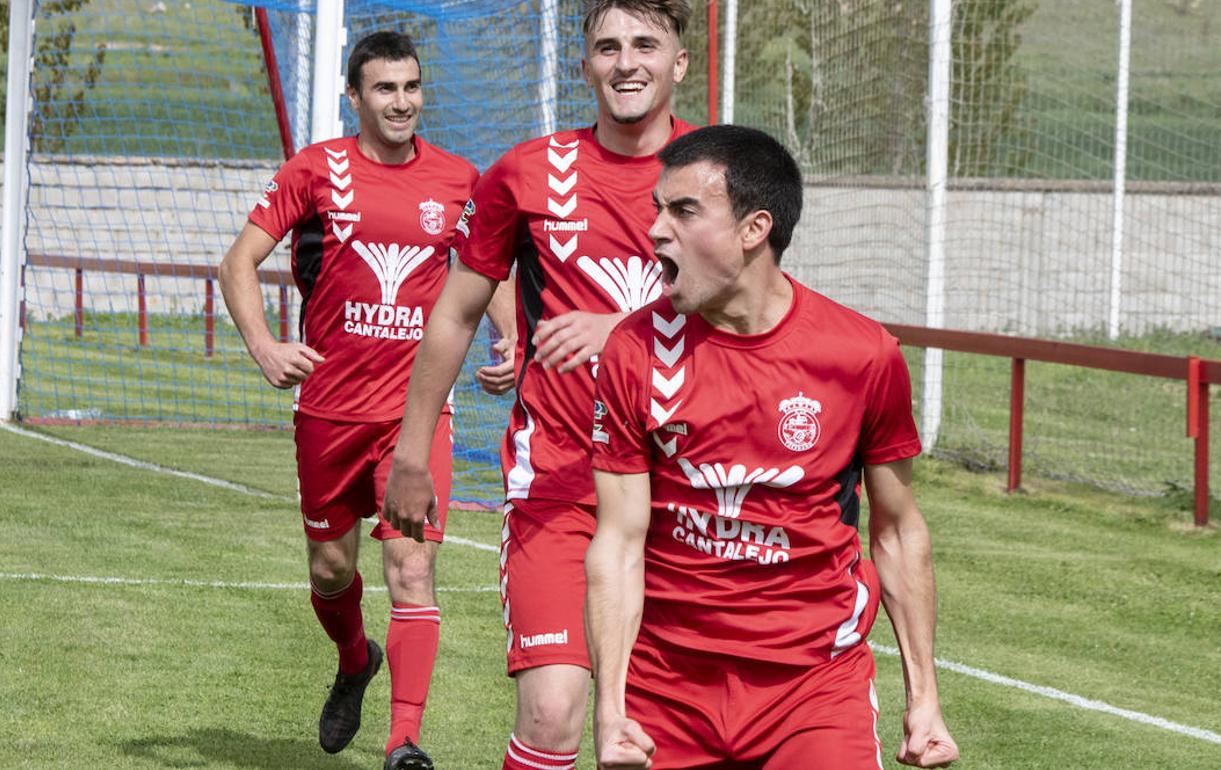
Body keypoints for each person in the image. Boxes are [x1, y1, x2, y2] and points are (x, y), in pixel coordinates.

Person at [586, 124, 961, 770]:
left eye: (683, 211)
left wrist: (924, 697)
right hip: (666, 689)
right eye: (657, 210)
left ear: (754, 229)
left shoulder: (862, 355)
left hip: (813, 688)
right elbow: (618, 540)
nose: (655, 231)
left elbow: (898, 533)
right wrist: (611, 707)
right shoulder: (634, 351)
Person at [380, 1, 694, 766]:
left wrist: (618, 331)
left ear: (679, 63)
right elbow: (454, 314)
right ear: (585, 63)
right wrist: (413, 454)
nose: (627, 62)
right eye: (608, 46)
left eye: (646, 45)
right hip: (560, 481)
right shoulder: (525, 173)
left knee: (664, 734)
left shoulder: (721, 172)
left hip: (688, 492)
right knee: (553, 712)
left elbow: (754, 325)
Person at [220, 31, 511, 770]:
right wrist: (265, 347)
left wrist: (510, 338)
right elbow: (238, 262)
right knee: (329, 571)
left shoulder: (458, 179)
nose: (402, 102)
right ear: (355, 97)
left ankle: (403, 742)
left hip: (415, 416)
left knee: (412, 569)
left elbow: (490, 265)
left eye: (411, 87)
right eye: (385, 89)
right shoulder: (317, 170)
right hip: (327, 410)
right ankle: (355, 659)